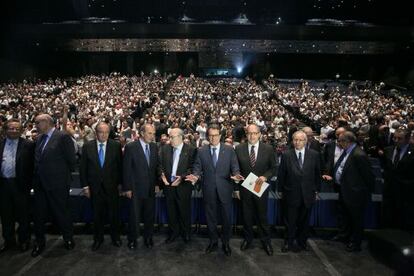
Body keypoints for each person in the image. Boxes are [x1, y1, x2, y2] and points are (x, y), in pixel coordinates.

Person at [186, 124, 243, 256]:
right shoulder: (201, 151)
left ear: (220, 136)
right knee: (211, 218)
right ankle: (213, 242)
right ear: (207, 136)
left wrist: (236, 175)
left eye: (216, 135)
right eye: (210, 135)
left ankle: (226, 243)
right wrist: (195, 177)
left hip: (225, 190)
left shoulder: (229, 150)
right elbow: (197, 169)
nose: (213, 138)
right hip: (209, 189)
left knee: (226, 219)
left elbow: (235, 167)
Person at [31, 113, 77, 257]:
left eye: (38, 122)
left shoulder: (62, 137)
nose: (35, 125)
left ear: (47, 122)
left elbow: (71, 161)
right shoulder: (39, 139)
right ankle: (39, 242)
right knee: (38, 215)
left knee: (62, 212)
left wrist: (62, 178)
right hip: (39, 184)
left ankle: (68, 238)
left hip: (58, 184)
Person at [235, 124, 277, 256]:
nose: (252, 136)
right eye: (249, 133)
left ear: (260, 134)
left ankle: (266, 241)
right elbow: (236, 169)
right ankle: (248, 240)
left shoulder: (269, 149)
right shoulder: (239, 148)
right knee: (246, 216)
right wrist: (236, 187)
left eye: (255, 133)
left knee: (262, 216)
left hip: (260, 188)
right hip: (245, 188)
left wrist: (266, 176)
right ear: (246, 134)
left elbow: (274, 168)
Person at [80, 122, 123, 251]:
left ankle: (115, 237)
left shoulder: (115, 146)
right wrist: (85, 187)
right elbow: (83, 169)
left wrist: (121, 185)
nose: (104, 135)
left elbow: (120, 167)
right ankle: (98, 239)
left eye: (106, 132)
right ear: (96, 133)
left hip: (112, 188)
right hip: (95, 188)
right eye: (101, 132)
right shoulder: (87, 147)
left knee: (114, 215)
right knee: (97, 216)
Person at [278, 130, 321, 253]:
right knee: (289, 221)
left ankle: (302, 242)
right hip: (290, 193)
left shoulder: (314, 155)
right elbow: (282, 174)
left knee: (304, 221)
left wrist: (317, 191)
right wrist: (280, 190)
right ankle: (288, 242)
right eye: (295, 139)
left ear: (306, 141)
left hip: (308, 194)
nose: (298, 142)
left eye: (301, 140)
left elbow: (317, 174)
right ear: (292, 141)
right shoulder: (286, 155)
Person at [335, 131, 375, 252]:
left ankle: (355, 242)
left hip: (355, 194)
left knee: (356, 219)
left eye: (340, 141)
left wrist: (362, 192)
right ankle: (345, 236)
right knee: (346, 216)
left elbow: (368, 177)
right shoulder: (348, 152)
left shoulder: (359, 154)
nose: (339, 143)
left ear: (347, 141)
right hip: (344, 190)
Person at [123, 123, 160, 250]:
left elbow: (155, 168)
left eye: (154, 133)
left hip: (150, 188)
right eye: (150, 133)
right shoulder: (131, 147)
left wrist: (156, 184)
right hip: (135, 189)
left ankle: (148, 237)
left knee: (149, 215)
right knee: (134, 216)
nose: (152, 136)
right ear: (142, 133)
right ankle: (132, 239)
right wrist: (127, 188)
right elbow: (126, 169)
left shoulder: (155, 147)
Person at [0, 119, 34, 253]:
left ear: (21, 131)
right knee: (5, 215)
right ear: (5, 130)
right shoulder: (0, 144)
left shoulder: (29, 145)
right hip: (3, 185)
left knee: (23, 215)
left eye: (16, 129)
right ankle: (8, 241)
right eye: (11, 128)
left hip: (20, 185)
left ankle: (24, 240)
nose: (14, 131)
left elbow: (33, 167)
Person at [159, 128, 196, 243]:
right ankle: (173, 233)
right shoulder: (165, 149)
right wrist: (162, 175)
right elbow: (159, 165)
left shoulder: (191, 149)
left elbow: (193, 168)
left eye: (171, 137)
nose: (169, 140)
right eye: (169, 137)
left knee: (184, 211)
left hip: (183, 186)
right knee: (171, 211)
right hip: (168, 186)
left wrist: (183, 177)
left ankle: (186, 233)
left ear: (180, 137)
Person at [379, 128, 414, 230]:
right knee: (388, 219)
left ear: (407, 139)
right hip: (389, 191)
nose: (396, 140)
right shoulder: (388, 150)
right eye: (394, 138)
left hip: (406, 192)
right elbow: (385, 168)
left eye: (400, 138)